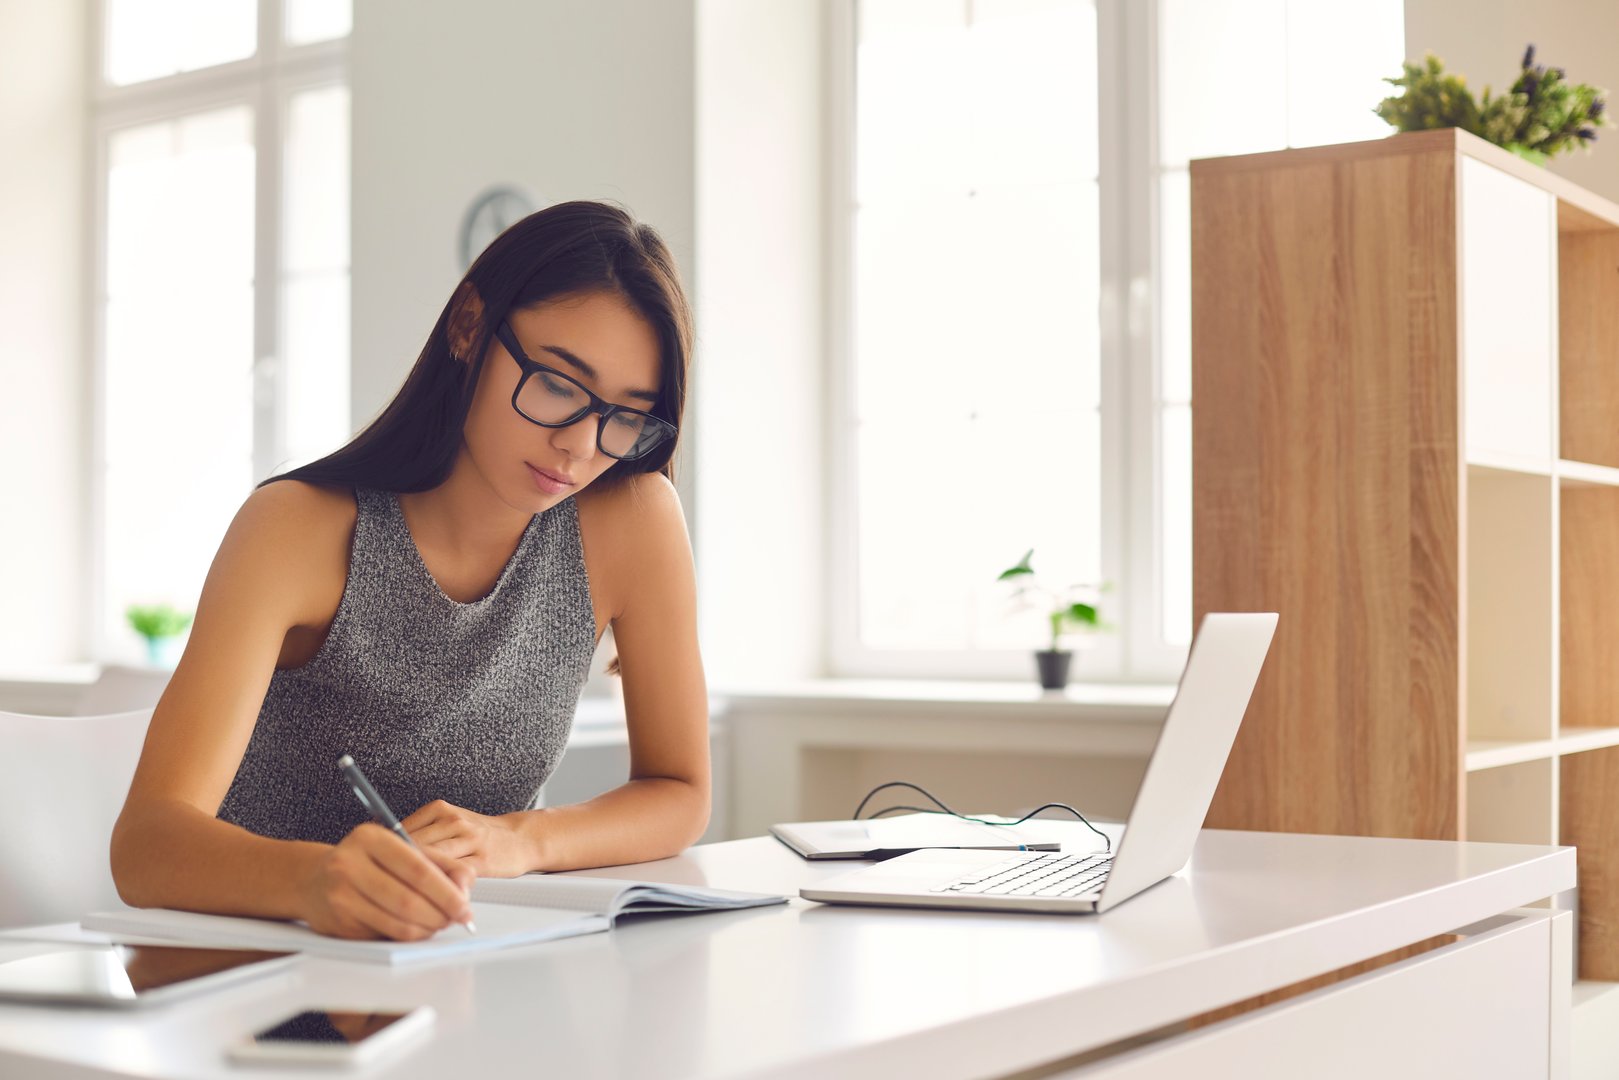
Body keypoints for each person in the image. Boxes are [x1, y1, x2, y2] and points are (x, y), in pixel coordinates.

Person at [110, 201, 708, 942]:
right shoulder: (297, 529)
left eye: (623, 415)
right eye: (557, 385)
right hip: (256, 969)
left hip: (460, 968)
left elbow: (679, 792)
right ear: (468, 327)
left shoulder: (633, 520)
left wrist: (522, 840)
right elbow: (145, 846)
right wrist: (317, 878)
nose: (579, 446)